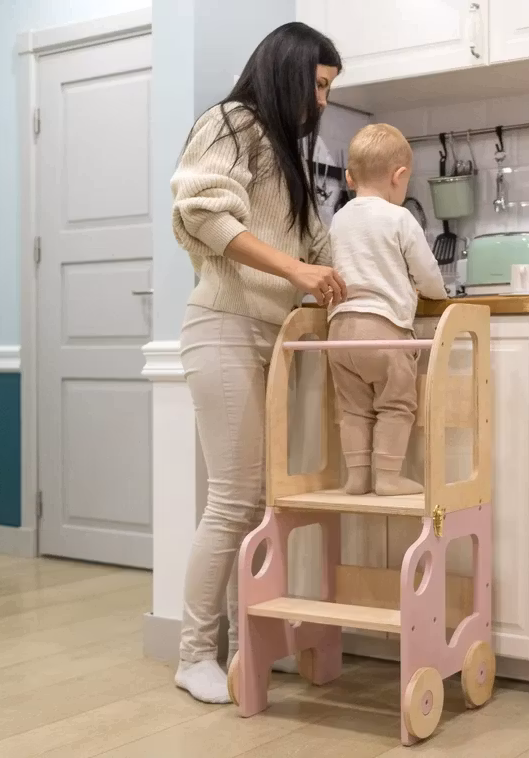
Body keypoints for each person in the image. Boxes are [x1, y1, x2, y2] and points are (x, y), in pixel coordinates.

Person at [169, 21, 346, 704]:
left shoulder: (285, 151)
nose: (325, 99)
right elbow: (206, 215)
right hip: (224, 327)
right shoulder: (230, 124)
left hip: (274, 338)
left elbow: (315, 243)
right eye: (321, 84)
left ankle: (250, 641)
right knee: (234, 501)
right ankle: (192, 654)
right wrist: (299, 271)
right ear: (291, 72)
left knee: (266, 503)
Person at [326, 124, 446, 497]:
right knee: (395, 404)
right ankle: (388, 476)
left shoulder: (339, 218)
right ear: (400, 176)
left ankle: (357, 476)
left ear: (349, 177)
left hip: (340, 331)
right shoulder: (399, 218)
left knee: (353, 408)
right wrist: (436, 293)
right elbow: (427, 275)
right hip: (383, 329)